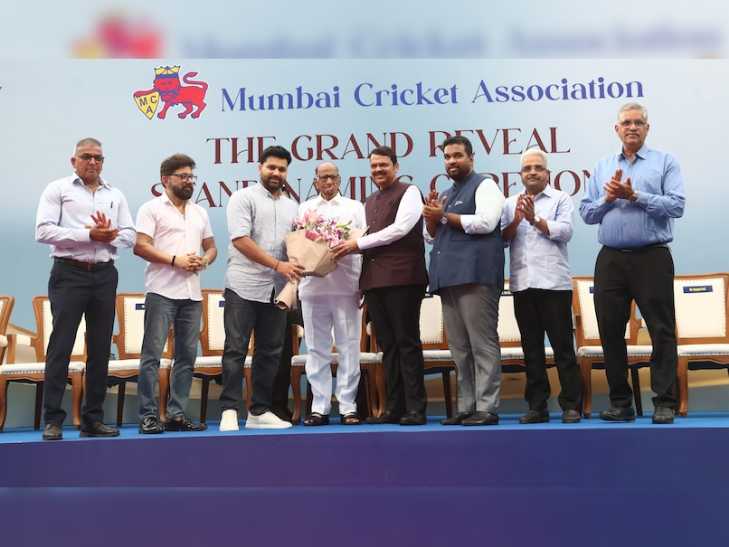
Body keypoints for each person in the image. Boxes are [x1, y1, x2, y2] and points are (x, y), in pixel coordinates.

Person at [580, 102, 685, 425]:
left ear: (647, 128)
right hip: (610, 258)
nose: (632, 127)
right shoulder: (602, 166)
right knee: (610, 331)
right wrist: (609, 198)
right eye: (626, 123)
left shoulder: (665, 162)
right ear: (617, 129)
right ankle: (620, 403)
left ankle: (665, 402)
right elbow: (586, 213)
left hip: (652, 256)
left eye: (639, 122)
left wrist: (634, 195)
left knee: (661, 330)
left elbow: (677, 206)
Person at [35, 137, 135, 440]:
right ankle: (53, 420)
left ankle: (93, 420)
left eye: (98, 158)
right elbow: (43, 231)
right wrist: (89, 234)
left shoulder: (115, 194)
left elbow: (130, 236)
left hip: (104, 275)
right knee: (61, 346)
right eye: (87, 156)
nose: (93, 162)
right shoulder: (58, 189)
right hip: (69, 273)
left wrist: (110, 236)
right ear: (74, 161)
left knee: (101, 348)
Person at [334, 146, 428, 425]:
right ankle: (394, 408)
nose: (378, 170)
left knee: (406, 342)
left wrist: (357, 244)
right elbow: (365, 238)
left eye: (383, 165)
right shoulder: (370, 201)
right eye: (374, 166)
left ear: (396, 167)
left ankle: (416, 409)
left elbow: (400, 229)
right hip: (375, 281)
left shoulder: (409, 192)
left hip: (403, 277)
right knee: (388, 346)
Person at [219, 145, 304, 431]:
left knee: (270, 352)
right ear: (260, 168)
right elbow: (240, 240)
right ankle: (229, 410)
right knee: (236, 349)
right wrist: (278, 265)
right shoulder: (243, 198)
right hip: (243, 286)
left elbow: (297, 245)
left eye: (282, 169)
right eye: (271, 167)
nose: (276, 173)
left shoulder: (293, 206)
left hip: (277, 291)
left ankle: (259, 411)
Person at [422, 135, 504, 426]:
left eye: (457, 155)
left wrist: (443, 216)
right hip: (448, 277)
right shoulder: (446, 193)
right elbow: (431, 236)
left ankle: (487, 407)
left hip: (476, 275)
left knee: (482, 344)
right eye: (447, 157)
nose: (452, 161)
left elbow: (486, 222)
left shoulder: (485, 185)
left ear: (471, 158)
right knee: (459, 348)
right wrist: (432, 218)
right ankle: (467, 406)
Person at [133, 153, 217, 434]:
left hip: (192, 295)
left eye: (192, 176)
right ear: (165, 179)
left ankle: (176, 415)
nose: (189, 181)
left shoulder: (199, 212)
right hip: (161, 291)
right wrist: (174, 260)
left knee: (186, 358)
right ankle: (148, 416)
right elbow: (141, 246)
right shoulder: (151, 209)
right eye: (183, 176)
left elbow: (212, 247)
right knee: (152, 356)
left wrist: (204, 261)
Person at [501, 148, 582, 424]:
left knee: (563, 348)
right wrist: (516, 220)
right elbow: (502, 239)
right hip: (523, 284)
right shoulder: (510, 203)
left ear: (547, 173)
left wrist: (534, 219)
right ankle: (537, 406)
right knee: (531, 349)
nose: (532, 172)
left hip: (554, 285)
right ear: (520, 174)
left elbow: (565, 232)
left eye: (538, 168)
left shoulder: (560, 198)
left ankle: (571, 405)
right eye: (527, 169)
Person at [298, 162, 366, 426]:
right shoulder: (305, 208)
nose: (328, 182)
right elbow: (299, 245)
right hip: (313, 288)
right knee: (317, 348)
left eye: (333, 177)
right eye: (323, 177)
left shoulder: (354, 207)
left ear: (340, 180)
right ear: (315, 181)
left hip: (347, 286)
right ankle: (320, 407)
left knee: (349, 346)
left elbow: (364, 244)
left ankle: (348, 407)